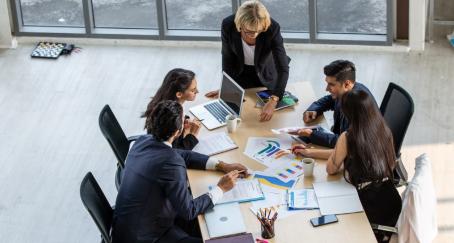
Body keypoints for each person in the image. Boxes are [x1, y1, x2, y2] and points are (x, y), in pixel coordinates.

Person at [112, 100, 249, 243]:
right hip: (148, 237)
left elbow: (184, 155)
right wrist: (221, 188)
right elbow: (188, 211)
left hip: (128, 227)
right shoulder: (171, 164)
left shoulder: (142, 141)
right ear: (178, 132)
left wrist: (222, 165)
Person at [292, 90, 400, 241]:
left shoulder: (349, 136)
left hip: (368, 206)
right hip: (389, 198)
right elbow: (342, 153)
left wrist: (338, 144)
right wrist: (310, 153)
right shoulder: (383, 129)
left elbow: (331, 169)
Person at [205, 0, 290, 122]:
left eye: (259, 31)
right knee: (240, 114)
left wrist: (274, 100)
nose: (254, 35)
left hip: (266, 72)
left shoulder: (272, 28)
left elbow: (283, 68)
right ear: (240, 24)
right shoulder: (228, 25)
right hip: (241, 72)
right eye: (249, 31)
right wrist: (227, 87)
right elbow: (227, 58)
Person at [292, 60, 376, 148]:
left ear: (347, 84)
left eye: (331, 84)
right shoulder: (348, 89)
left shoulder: (357, 106)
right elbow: (330, 100)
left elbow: (346, 143)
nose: (326, 88)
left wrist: (312, 134)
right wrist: (314, 109)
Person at [142, 68, 201, 150]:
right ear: (179, 94)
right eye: (193, 90)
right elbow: (175, 152)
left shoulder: (164, 107)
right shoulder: (169, 119)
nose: (197, 91)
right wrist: (192, 135)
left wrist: (184, 121)